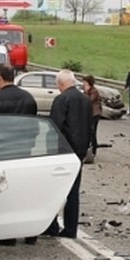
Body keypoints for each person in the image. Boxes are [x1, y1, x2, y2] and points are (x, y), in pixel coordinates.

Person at [45, 69, 93, 238]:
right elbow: (90, 126)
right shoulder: (85, 100)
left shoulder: (62, 99)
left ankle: (51, 226)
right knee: (73, 192)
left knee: (54, 190)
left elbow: (55, 127)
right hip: (79, 151)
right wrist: (87, 148)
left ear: (60, 83)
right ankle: (70, 228)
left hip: (63, 150)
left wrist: (49, 150)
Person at [83, 74, 102, 157]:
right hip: (89, 114)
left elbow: (89, 100)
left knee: (92, 132)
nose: (83, 83)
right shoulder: (87, 90)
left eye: (85, 82)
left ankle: (93, 150)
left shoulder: (94, 91)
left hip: (94, 114)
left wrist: (86, 92)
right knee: (88, 132)